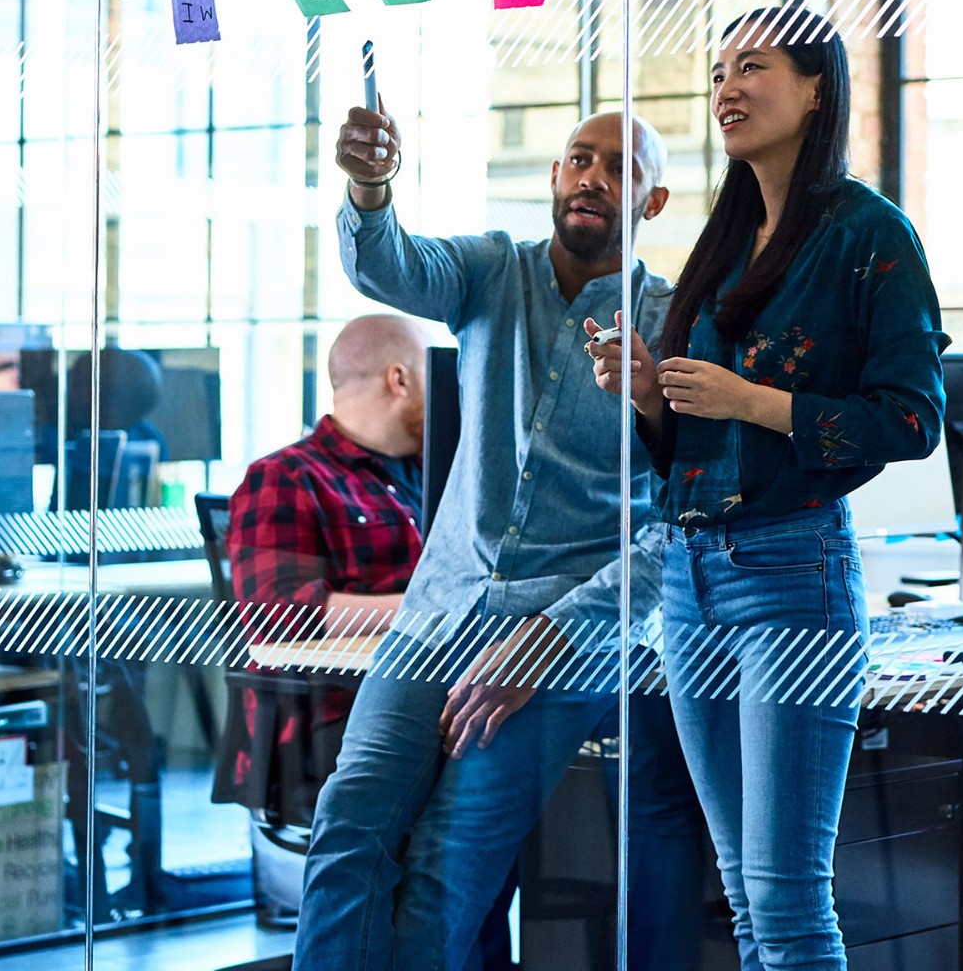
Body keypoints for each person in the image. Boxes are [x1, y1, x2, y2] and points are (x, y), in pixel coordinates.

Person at [291, 104, 708, 971]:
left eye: (619, 168)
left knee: (449, 870)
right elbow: (390, 265)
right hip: (436, 617)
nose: (591, 176)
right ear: (555, 177)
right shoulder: (490, 272)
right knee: (347, 825)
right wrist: (371, 187)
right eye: (577, 159)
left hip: (558, 635)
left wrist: (556, 635)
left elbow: (684, 526)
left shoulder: (674, 325)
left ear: (654, 201)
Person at [586, 5, 950, 971]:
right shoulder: (727, 235)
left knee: (788, 900)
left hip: (793, 572)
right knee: (745, 894)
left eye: (751, 67)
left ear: (817, 85)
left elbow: (913, 419)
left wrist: (756, 400)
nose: (725, 91)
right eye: (716, 74)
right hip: (687, 580)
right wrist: (648, 395)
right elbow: (694, 441)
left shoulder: (871, 235)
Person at [224, 313, 431, 808]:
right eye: (433, 375)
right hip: (332, 716)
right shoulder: (285, 477)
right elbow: (277, 616)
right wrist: (430, 610)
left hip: (421, 692)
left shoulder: (434, 472)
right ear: (399, 378)